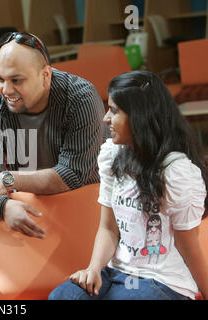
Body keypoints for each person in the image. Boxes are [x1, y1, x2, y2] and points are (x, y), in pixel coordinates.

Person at [48, 70, 208, 300]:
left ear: (139, 116)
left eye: (113, 110)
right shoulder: (113, 155)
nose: (105, 118)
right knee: (61, 297)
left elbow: (189, 247)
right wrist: (93, 269)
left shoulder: (175, 172)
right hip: (116, 272)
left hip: (162, 280)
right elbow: (108, 229)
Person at [0, 32, 105, 239]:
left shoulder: (80, 98)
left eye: (16, 80)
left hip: (88, 210)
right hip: (31, 211)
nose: (6, 89)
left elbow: (71, 175)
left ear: (45, 76)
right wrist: (3, 204)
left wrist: (7, 179)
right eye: (0, 79)